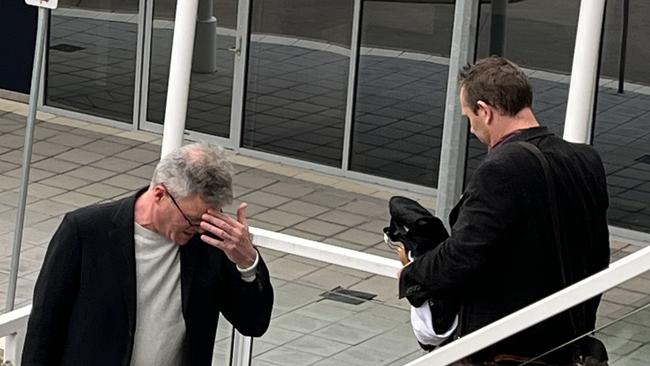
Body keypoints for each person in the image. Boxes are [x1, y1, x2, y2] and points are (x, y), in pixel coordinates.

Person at [399, 57, 610, 364]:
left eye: (469, 116)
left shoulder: (501, 169)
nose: (471, 129)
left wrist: (412, 274)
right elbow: (597, 252)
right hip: (569, 341)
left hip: (510, 348)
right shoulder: (586, 159)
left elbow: (463, 255)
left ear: (485, 111)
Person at [22, 142, 274, 366]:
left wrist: (247, 261)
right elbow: (45, 327)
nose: (200, 228)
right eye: (193, 219)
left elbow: (253, 323)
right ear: (160, 194)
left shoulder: (210, 242)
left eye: (211, 216)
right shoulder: (86, 231)